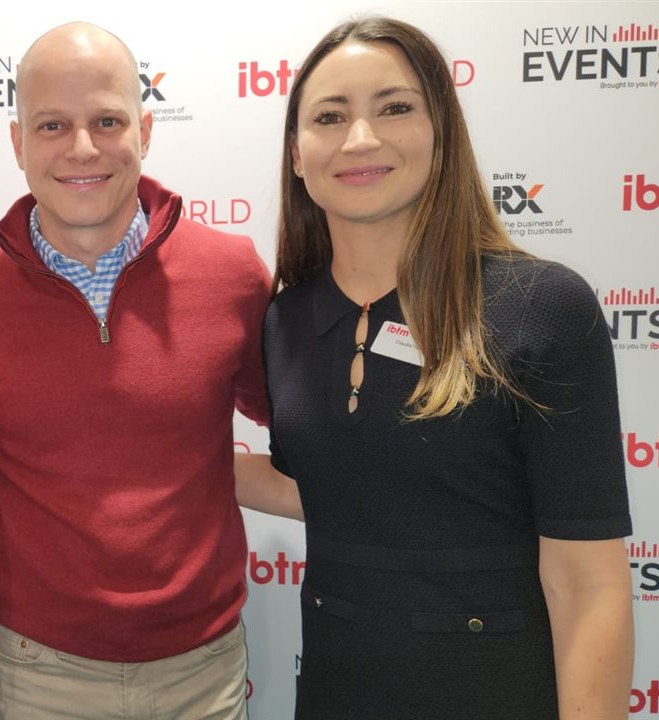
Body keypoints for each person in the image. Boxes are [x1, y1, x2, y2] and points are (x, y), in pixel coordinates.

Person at [237, 17, 634, 719]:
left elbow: (588, 584)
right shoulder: (285, 319)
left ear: (441, 133)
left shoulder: (541, 308)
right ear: (297, 154)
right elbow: (338, 489)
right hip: (335, 692)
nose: (361, 138)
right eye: (329, 117)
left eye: (395, 107)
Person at [0, 21, 295, 720]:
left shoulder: (232, 275)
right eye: (51, 125)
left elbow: (305, 426)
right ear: (17, 143)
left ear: (146, 129)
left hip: (205, 666)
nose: (81, 148)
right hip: (41, 670)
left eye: (107, 121)